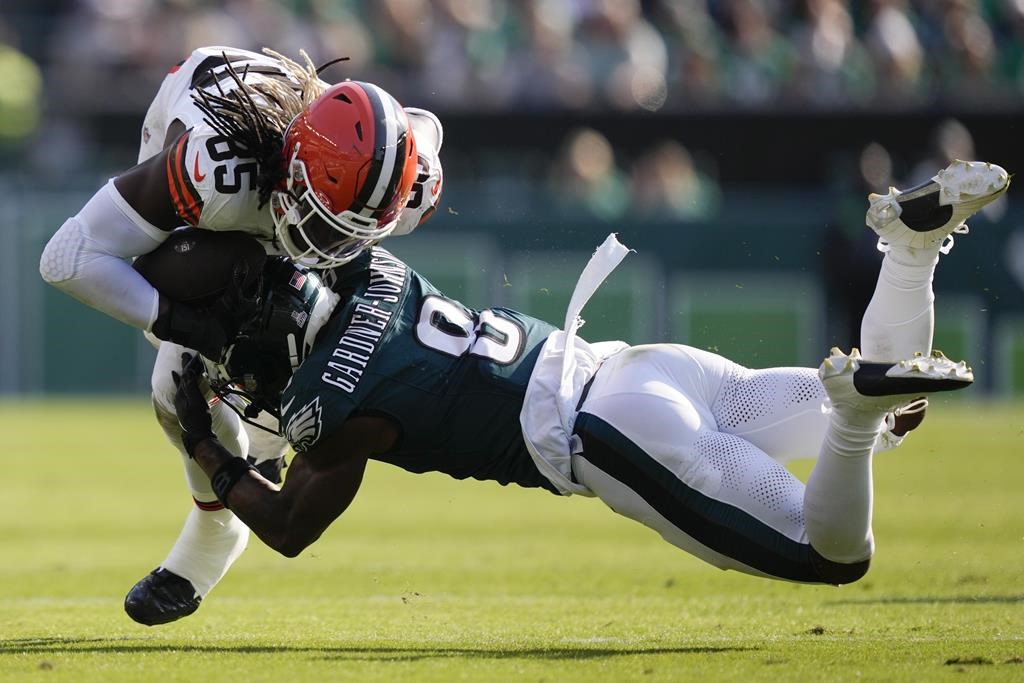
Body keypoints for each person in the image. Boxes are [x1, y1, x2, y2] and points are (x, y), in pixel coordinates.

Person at [170, 160, 1008, 592]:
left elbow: (287, 525)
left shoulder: (331, 406)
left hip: (612, 436)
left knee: (832, 556)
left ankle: (853, 413)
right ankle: (910, 247)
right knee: (903, 411)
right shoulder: (372, 269)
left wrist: (209, 446)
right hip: (640, 365)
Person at [37, 45, 444, 624]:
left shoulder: (409, 180)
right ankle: (218, 524)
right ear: (295, 171)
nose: (325, 248)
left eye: (347, 233)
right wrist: (186, 324)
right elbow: (67, 258)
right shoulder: (218, 170)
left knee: (307, 328)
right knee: (177, 378)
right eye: (321, 220)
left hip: (300, 176)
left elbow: (425, 128)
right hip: (208, 149)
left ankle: (265, 448)